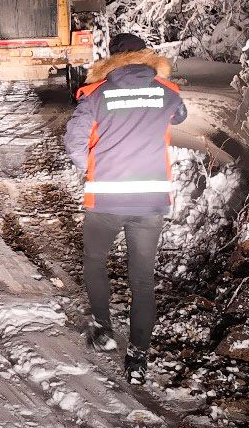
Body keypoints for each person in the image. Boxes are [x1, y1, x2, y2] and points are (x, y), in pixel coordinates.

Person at [62, 33, 187, 385]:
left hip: (106, 199)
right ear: (145, 57)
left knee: (94, 262)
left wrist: (92, 168)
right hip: (150, 201)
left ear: (111, 59)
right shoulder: (167, 92)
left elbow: (73, 141)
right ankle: (138, 358)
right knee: (143, 280)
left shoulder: (96, 94)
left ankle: (103, 328)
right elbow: (178, 117)